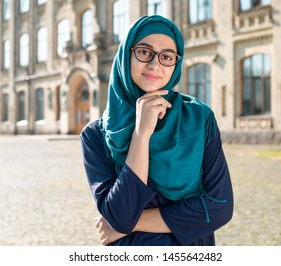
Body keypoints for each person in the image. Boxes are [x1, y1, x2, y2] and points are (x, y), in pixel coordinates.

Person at [79, 15, 233, 246]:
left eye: (167, 57)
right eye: (144, 52)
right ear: (126, 56)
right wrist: (141, 134)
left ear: (176, 64)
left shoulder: (199, 119)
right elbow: (120, 214)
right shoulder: (96, 136)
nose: (155, 65)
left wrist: (134, 222)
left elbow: (219, 207)